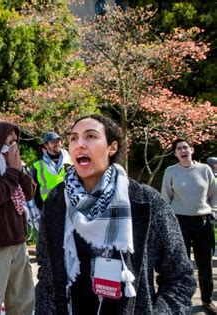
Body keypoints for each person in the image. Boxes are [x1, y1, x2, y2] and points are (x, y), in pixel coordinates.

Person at [36, 114, 196, 314]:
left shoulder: (145, 200)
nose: (80, 144)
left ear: (112, 148)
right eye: (74, 138)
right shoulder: (57, 201)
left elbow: (180, 277)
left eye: (91, 136)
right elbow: (47, 271)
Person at [0, 120, 35, 314]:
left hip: (18, 243)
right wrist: (12, 170)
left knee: (22, 300)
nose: (14, 143)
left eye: (15, 139)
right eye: (9, 138)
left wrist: (18, 170)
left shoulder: (13, 161)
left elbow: (29, 193)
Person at [161, 139, 217, 314]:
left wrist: (214, 211)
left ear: (192, 150)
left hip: (203, 221)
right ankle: (182, 301)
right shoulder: (171, 172)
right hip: (180, 222)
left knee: (205, 264)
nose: (182, 150)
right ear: (175, 153)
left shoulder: (205, 170)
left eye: (185, 147)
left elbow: (214, 195)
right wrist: (168, 221)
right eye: (178, 149)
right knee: (181, 265)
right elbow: (165, 199)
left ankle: (207, 300)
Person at [30, 131, 71, 210]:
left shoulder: (71, 160)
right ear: (46, 145)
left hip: (70, 207)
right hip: (49, 209)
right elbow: (34, 192)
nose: (57, 143)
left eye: (58, 141)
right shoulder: (37, 166)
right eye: (53, 142)